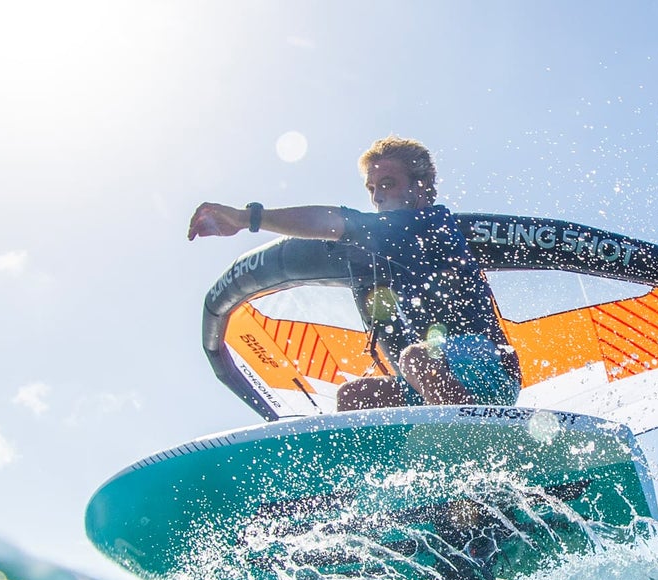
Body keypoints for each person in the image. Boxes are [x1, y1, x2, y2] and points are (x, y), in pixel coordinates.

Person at [187, 136, 521, 412]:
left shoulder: (431, 223)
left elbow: (333, 222)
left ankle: (472, 441)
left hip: (491, 367)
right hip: (440, 376)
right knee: (355, 396)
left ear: (420, 188)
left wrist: (246, 218)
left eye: (387, 184)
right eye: (371, 188)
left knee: (415, 357)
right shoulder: (388, 244)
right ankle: (400, 472)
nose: (377, 196)